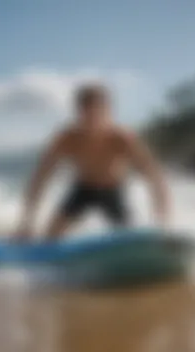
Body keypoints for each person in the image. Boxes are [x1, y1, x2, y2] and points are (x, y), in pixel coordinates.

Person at [14, 83, 169, 241]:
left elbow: (154, 177)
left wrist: (162, 222)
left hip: (112, 190)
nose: (92, 120)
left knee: (128, 239)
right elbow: (40, 177)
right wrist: (26, 222)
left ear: (108, 111)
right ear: (78, 112)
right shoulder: (66, 138)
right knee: (50, 238)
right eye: (86, 113)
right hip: (83, 188)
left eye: (98, 113)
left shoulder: (122, 138)